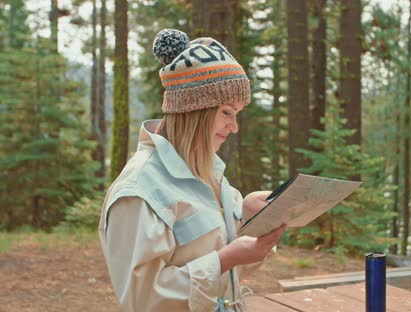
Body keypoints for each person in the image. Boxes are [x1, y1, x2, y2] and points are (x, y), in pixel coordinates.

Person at [98, 29, 285, 312]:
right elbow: (143, 299)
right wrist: (225, 260)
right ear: (195, 109)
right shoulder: (138, 191)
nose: (234, 127)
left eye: (237, 115)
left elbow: (218, 267)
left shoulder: (208, 172)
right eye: (226, 112)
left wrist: (248, 215)